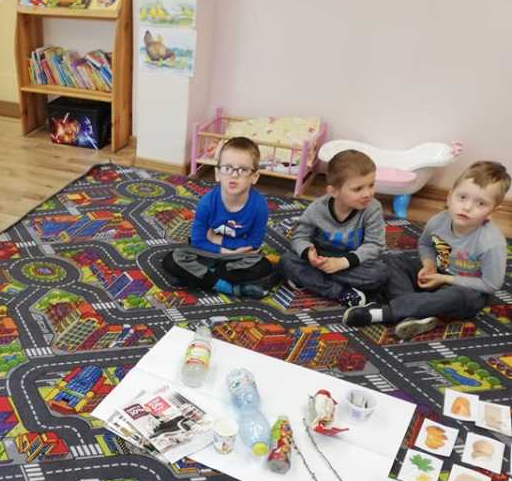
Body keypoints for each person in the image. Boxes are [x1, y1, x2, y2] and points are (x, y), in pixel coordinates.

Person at [343, 161, 509, 339]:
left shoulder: (491, 243)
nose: (467, 207)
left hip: (466, 289)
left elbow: (491, 285)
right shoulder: (438, 221)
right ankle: (411, 315)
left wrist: (444, 279)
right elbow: (425, 244)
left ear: (492, 211)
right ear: (449, 196)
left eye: (481, 203)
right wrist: (429, 265)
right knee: (391, 260)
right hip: (438, 273)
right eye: (462, 197)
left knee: (459, 297)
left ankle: (384, 313)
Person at [161, 136, 274, 297]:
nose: (234, 175)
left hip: (238, 257)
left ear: (254, 176)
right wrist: (224, 250)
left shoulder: (259, 206)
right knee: (172, 260)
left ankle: (202, 276)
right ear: (217, 173)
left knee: (264, 266)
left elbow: (254, 244)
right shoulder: (207, 202)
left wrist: (219, 241)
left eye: (243, 170)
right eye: (227, 168)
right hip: (207, 252)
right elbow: (198, 240)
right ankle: (229, 287)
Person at [278, 149, 388, 307]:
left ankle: (311, 280)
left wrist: (343, 262)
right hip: (320, 259)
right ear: (334, 191)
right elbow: (299, 236)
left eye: (371, 185)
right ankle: (342, 293)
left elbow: (375, 244)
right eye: (358, 189)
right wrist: (308, 253)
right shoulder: (317, 208)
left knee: (380, 273)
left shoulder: (373, 208)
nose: (368, 194)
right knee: (287, 261)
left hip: (352, 261)